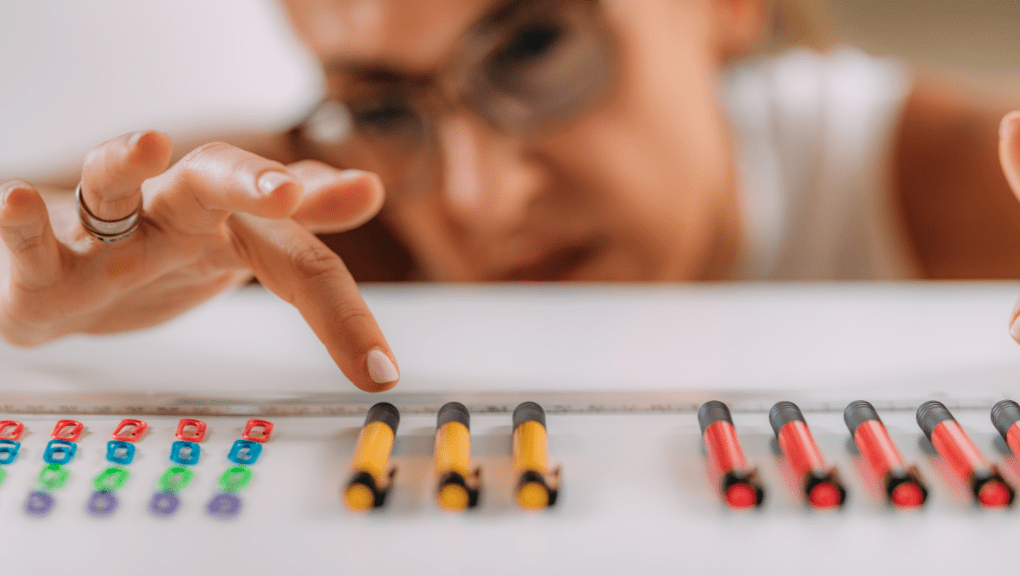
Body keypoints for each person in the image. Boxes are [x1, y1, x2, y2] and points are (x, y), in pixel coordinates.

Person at [1, 0, 1019, 393]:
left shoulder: (950, 183)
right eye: (384, 106)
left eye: (536, 48)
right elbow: (55, 229)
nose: (485, 199)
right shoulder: (340, 198)